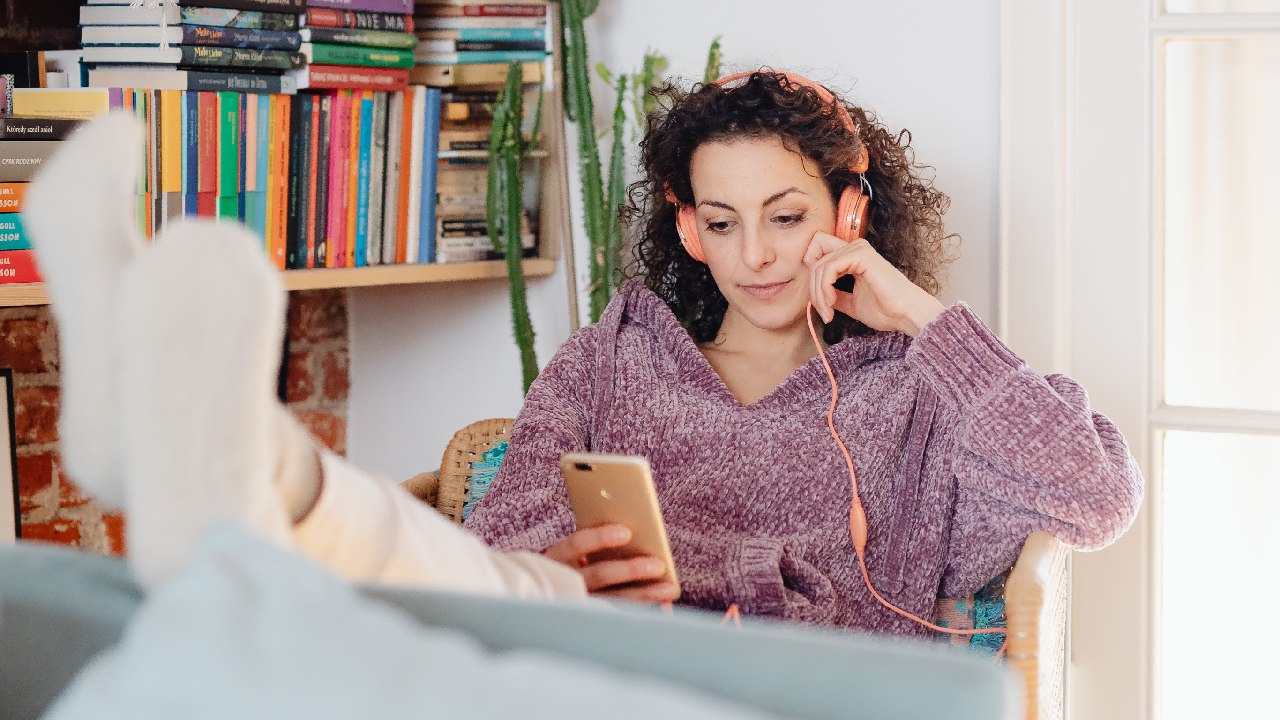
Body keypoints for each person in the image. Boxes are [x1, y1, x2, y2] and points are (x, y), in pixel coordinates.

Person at [464, 70, 1143, 635]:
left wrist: (923, 318)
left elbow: (1098, 497)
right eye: (722, 223)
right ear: (691, 232)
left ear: (849, 216)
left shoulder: (919, 398)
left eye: (785, 218)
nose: (754, 255)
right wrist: (551, 573)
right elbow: (495, 545)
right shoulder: (608, 363)